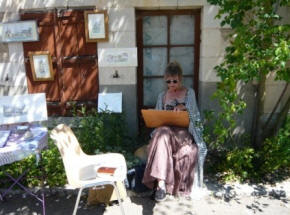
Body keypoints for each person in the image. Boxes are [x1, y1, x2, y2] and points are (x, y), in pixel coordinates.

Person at [142, 61, 205, 202]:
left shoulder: (189, 93)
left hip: (182, 132)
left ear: (180, 79)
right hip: (166, 131)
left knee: (161, 136)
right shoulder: (162, 96)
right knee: (161, 134)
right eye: (168, 81)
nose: (171, 84)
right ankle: (161, 184)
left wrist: (185, 108)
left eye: (174, 81)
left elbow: (195, 116)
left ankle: (160, 185)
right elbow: (158, 116)